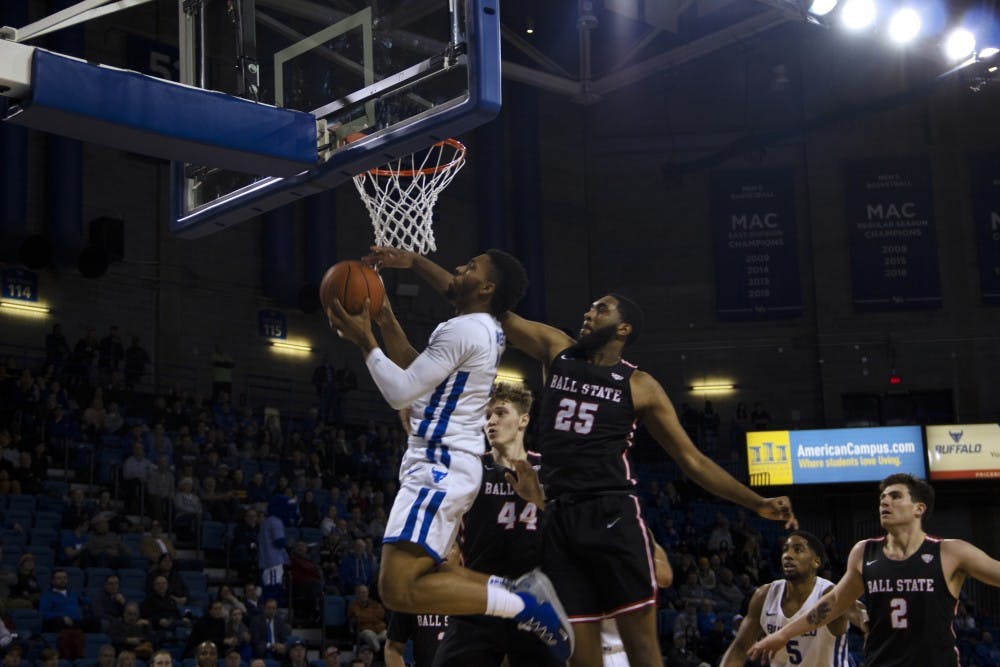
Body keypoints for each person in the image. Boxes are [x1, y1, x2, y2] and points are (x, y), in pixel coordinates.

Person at [369, 248, 797, 667]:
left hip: (610, 512)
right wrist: (416, 263)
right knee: (580, 654)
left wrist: (756, 503)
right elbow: (484, 300)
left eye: (601, 309)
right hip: (559, 517)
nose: (589, 314)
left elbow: (693, 460)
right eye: (590, 308)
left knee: (643, 651)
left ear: (624, 328)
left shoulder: (640, 384)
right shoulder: (558, 350)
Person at [325, 248, 572, 661]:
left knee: (396, 588)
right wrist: (385, 320)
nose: (459, 269)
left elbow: (401, 391)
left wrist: (365, 340)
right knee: (414, 583)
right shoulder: (480, 328)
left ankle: (521, 601)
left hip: (439, 467)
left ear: (487, 287)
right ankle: (518, 599)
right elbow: (420, 377)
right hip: (447, 465)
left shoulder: (464, 330)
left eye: (471, 266)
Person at [748, 473, 1000, 666]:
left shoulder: (951, 552)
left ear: (919, 509)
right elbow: (832, 604)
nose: (884, 502)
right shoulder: (864, 552)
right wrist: (783, 635)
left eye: (895, 496)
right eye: (882, 498)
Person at [432, 382, 561, 667]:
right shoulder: (471, 468)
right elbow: (444, 523)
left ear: (523, 420)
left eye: (501, 413)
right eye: (488, 414)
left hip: (535, 602)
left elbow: (569, 525)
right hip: (480, 596)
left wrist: (540, 499)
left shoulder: (549, 469)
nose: (491, 420)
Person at [720, 531, 863, 666]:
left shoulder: (830, 594)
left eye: (798, 550)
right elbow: (739, 648)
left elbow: (862, 615)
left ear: (816, 562)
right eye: (785, 550)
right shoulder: (764, 596)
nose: (788, 555)